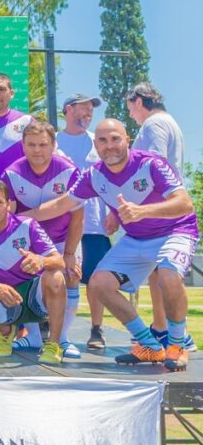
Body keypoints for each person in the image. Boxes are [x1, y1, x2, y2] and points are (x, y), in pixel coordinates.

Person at [27, 119, 198, 371]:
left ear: (127, 139)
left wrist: (142, 211)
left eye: (115, 138)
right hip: (136, 238)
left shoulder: (151, 164)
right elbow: (61, 205)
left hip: (175, 231)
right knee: (98, 284)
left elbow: (185, 204)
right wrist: (14, 217)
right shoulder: (94, 175)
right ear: (95, 144)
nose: (110, 146)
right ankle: (149, 345)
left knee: (168, 275)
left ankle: (176, 345)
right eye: (103, 140)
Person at [0, 179, 67, 364]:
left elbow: (60, 262)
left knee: (55, 277)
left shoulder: (27, 225)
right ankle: (6, 330)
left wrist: (41, 260)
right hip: (4, 298)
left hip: (35, 295)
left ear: (8, 205)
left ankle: (54, 344)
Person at [2, 121, 83, 358]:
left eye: (43, 145)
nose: (37, 150)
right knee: (28, 284)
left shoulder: (69, 171)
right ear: (23, 146)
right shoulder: (12, 174)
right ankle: (34, 338)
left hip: (63, 239)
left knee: (71, 279)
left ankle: (64, 339)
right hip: (30, 243)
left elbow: (78, 217)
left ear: (54, 145)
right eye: (31, 145)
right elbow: (11, 218)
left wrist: (69, 253)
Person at [126, 82, 195, 352]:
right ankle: (161, 326)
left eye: (131, 107)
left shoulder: (153, 125)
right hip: (166, 205)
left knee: (164, 271)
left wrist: (137, 204)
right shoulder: (170, 122)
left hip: (159, 207)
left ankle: (172, 331)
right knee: (159, 272)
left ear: (140, 102)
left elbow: (153, 165)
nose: (131, 114)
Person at [56, 93, 112, 350]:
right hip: (59, 225)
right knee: (58, 277)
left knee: (95, 279)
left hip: (94, 223)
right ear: (68, 110)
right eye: (84, 108)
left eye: (91, 109)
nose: (89, 113)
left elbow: (113, 178)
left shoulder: (99, 142)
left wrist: (116, 212)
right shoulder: (53, 141)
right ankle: (51, 327)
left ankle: (96, 329)